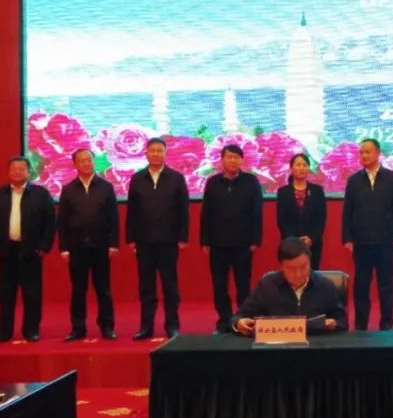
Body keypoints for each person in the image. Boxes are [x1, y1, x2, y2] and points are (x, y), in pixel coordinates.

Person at [0, 156, 56, 343]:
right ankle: (4, 332)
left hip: (31, 252)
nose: (17, 172)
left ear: (29, 172)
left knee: (32, 294)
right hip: (6, 252)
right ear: (8, 172)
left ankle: (31, 330)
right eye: (13, 169)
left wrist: (44, 247)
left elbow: (50, 223)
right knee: (6, 294)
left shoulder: (41, 194)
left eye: (21, 169)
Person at [126, 137, 189, 340]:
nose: (155, 154)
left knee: (170, 285)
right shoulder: (137, 178)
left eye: (159, 150)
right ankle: (146, 327)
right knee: (146, 286)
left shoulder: (176, 178)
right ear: (145, 153)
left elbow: (183, 210)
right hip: (144, 241)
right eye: (152, 150)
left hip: (168, 240)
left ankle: (172, 325)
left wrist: (183, 237)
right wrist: (131, 238)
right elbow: (132, 211)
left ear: (165, 153)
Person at [342, 138, 393, 330]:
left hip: (385, 241)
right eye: (361, 152)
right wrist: (347, 238)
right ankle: (361, 324)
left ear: (378, 153)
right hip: (361, 242)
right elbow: (347, 211)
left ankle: (386, 323)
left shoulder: (392, 178)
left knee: (386, 286)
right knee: (361, 286)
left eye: (368, 152)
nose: (364, 155)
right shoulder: (354, 180)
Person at [200, 144, 263, 335]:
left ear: (242, 160)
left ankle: (243, 320)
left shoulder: (251, 181)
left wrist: (255, 240)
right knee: (219, 286)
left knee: (243, 285)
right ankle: (224, 321)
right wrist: (205, 240)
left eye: (236, 157)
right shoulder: (212, 182)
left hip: (243, 243)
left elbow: (257, 212)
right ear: (222, 160)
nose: (233, 160)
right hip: (218, 244)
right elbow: (206, 213)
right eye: (229, 157)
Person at [58, 148, 119, 341]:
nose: (86, 163)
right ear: (75, 164)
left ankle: (107, 326)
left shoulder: (106, 187)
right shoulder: (68, 189)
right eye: (82, 160)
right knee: (78, 290)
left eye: (89, 160)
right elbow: (62, 222)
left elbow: (113, 218)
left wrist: (113, 244)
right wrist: (63, 248)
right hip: (76, 248)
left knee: (103, 289)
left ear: (94, 161)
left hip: (101, 247)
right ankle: (78, 328)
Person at [232, 237, 347, 335]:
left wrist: (334, 323)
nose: (298, 274)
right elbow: (239, 316)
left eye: (303, 266)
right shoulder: (267, 285)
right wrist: (238, 323)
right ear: (281, 267)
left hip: (315, 347)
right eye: (291, 269)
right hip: (277, 348)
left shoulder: (325, 286)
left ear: (310, 262)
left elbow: (342, 321)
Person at [276, 153, 327, 270]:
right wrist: (294, 241)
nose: (301, 168)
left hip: (313, 244)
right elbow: (281, 220)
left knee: (312, 274)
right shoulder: (283, 192)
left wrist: (311, 238)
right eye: (298, 165)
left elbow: (321, 218)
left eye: (304, 165)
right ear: (291, 168)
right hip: (290, 244)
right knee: (292, 273)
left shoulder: (317, 191)